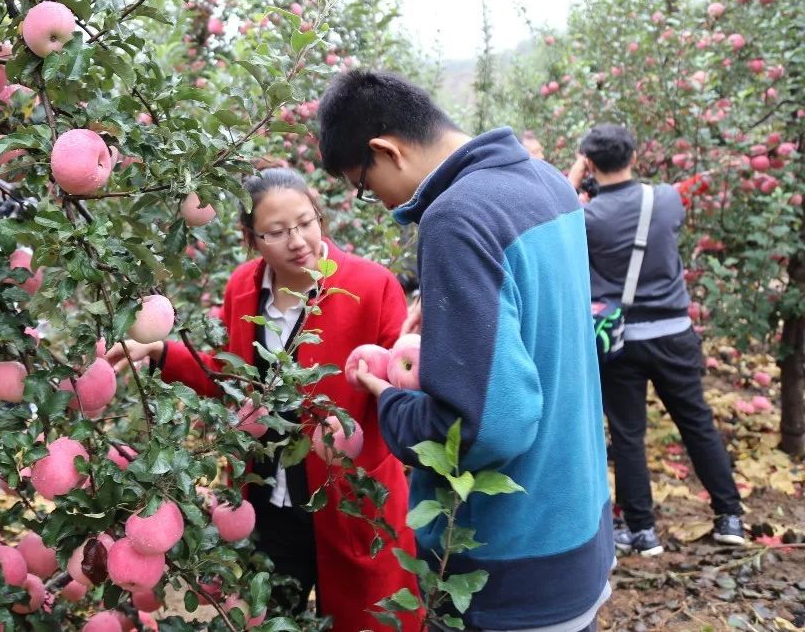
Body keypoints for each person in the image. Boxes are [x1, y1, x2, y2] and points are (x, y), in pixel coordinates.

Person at [316, 69, 613, 632]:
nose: (373, 200)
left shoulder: (457, 217)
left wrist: (388, 401)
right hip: (576, 528)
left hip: (508, 562)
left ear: (386, 150)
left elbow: (483, 429)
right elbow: (542, 314)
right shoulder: (545, 181)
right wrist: (455, 312)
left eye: (363, 183)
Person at [106, 167, 421, 632]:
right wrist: (161, 351)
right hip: (267, 497)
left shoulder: (371, 287)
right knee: (275, 616)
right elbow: (231, 377)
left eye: (306, 222)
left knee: (366, 618)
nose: (298, 241)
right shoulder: (243, 288)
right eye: (276, 232)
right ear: (251, 239)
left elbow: (402, 379)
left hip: (347, 497)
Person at [568, 125, 745, 555]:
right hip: (674, 335)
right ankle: (730, 517)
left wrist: (572, 181)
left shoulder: (585, 219)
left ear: (589, 163)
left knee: (628, 434)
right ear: (633, 156)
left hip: (620, 340)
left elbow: (556, 221)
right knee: (696, 422)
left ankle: (642, 531)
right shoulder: (665, 199)